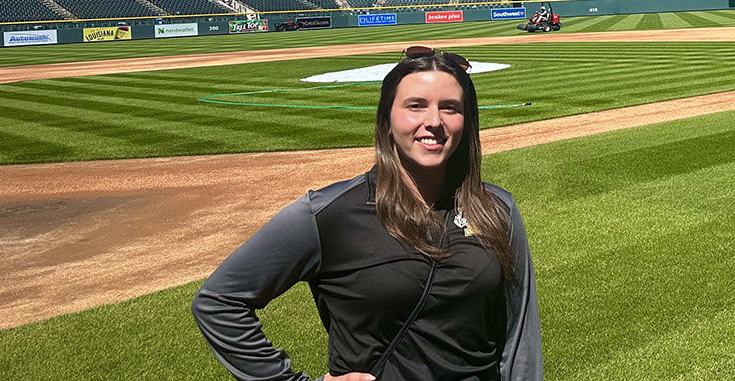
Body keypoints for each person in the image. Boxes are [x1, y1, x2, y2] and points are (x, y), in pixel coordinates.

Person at [192, 46, 541, 381]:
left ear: (467, 120)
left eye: (450, 107)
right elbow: (219, 302)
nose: (434, 121)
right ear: (387, 118)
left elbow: (518, 336)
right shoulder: (331, 213)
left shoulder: (497, 209)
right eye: (416, 106)